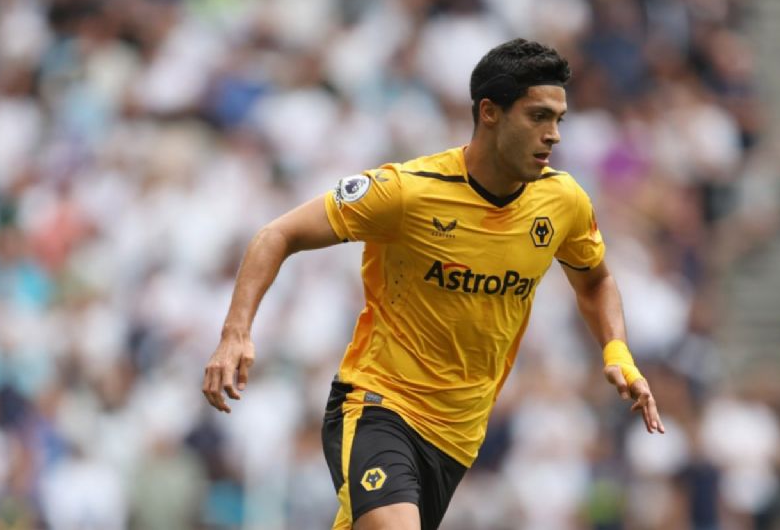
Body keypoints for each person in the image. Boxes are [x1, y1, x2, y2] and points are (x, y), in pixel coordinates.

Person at [202, 38, 665, 530]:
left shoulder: (564, 201)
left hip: (458, 437)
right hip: (378, 405)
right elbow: (277, 234)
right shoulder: (407, 192)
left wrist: (617, 351)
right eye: (538, 117)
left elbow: (595, 281)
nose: (553, 135)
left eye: (558, 120)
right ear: (490, 112)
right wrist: (235, 333)